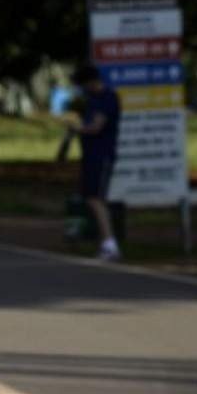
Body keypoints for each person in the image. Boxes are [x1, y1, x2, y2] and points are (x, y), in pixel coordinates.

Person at [70, 63, 122, 261]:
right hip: (91, 155)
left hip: (101, 155)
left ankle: (110, 243)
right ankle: (106, 241)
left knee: (95, 198)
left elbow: (96, 126)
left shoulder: (106, 98)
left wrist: (78, 129)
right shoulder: (92, 100)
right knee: (92, 197)